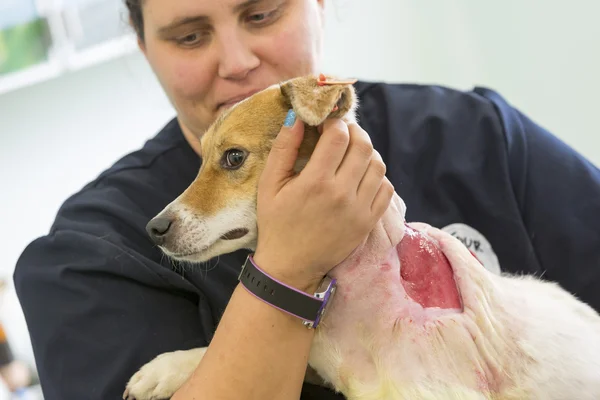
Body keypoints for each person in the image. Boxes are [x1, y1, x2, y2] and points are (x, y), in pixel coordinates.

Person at [13, 0, 600, 399]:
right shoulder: (84, 258)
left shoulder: (479, 135)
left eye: (263, 13)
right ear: (144, 48)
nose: (238, 62)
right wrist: (287, 269)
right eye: (189, 36)